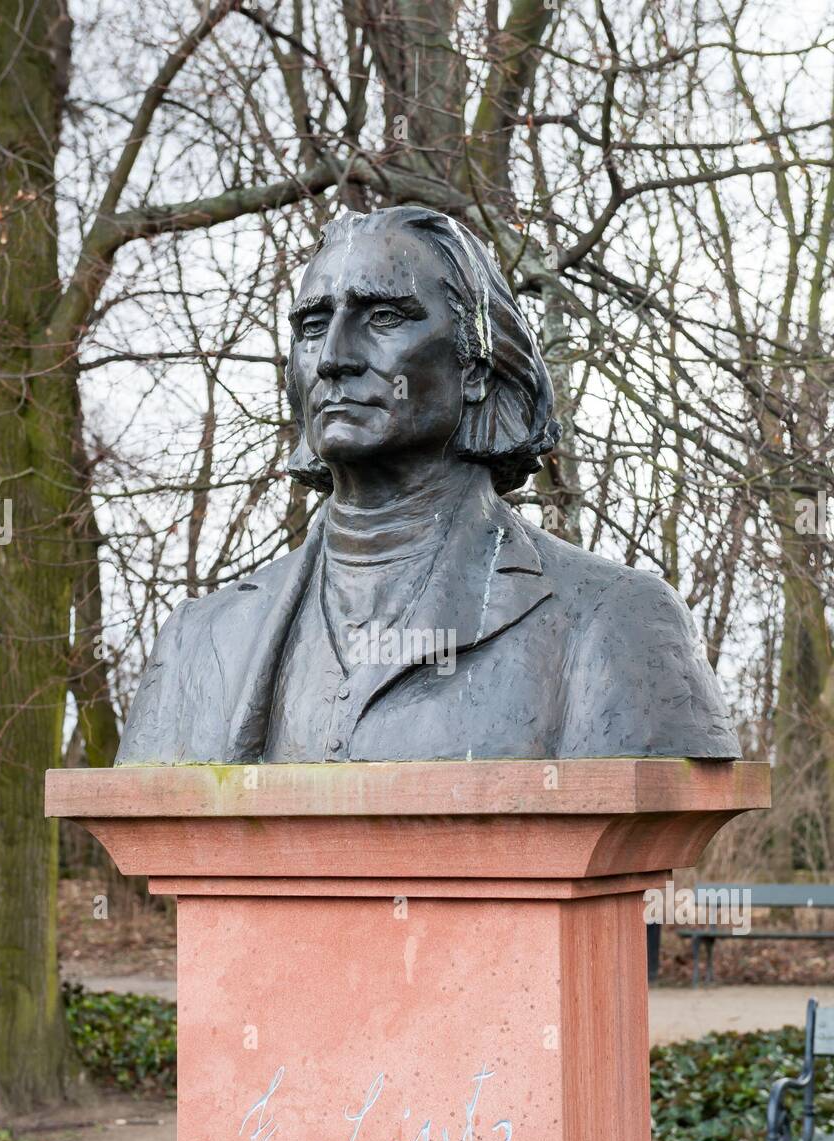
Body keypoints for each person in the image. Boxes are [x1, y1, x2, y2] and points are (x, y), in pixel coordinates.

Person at [116, 206, 740, 765]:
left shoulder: (611, 621)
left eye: (384, 316)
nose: (333, 356)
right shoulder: (201, 641)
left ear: (475, 367)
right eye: (311, 326)